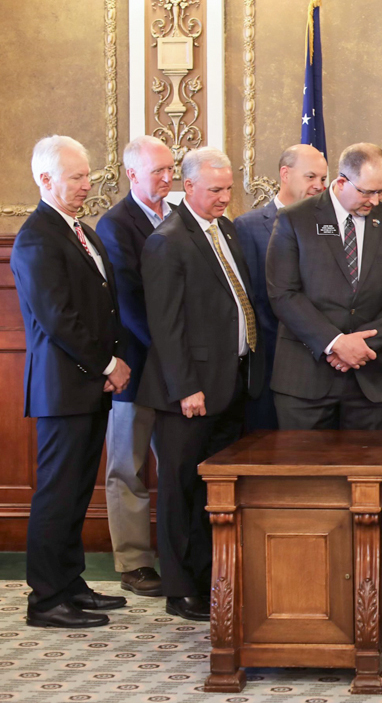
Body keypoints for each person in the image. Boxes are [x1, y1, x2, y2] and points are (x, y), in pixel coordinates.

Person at [138, 147, 266, 621]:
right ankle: (179, 588)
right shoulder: (168, 240)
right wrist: (185, 388)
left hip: (231, 383)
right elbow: (166, 327)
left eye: (228, 189)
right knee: (179, 490)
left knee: (215, 490)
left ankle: (213, 576)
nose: (224, 197)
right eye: (215, 190)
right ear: (187, 187)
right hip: (189, 392)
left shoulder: (225, 229)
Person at [14, 135, 132, 628]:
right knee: (57, 493)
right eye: (77, 177)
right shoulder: (38, 236)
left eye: (88, 175)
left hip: (86, 387)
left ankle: (70, 583)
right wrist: (109, 365)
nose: (88, 185)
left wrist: (110, 362)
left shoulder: (80, 230)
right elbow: (59, 319)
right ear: (45, 179)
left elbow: (104, 305)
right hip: (62, 388)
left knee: (78, 490)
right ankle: (46, 599)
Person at [267, 143, 382, 430]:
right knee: (307, 473)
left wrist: (360, 347)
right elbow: (283, 294)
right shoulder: (295, 219)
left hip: (373, 380)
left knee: (371, 473)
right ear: (341, 182)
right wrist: (336, 343)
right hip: (305, 380)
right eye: (367, 192)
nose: (375, 201)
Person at [94, 135, 174, 597]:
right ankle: (134, 563)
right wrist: (171, 354)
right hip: (137, 368)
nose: (167, 178)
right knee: (127, 466)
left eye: (170, 169)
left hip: (175, 370)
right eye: (157, 171)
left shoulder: (176, 217)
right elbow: (129, 304)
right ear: (131, 174)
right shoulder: (115, 225)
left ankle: (178, 555)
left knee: (177, 464)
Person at [234, 143, 328, 432]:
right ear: (285, 174)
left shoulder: (329, 226)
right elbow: (250, 300)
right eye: (310, 177)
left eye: (323, 179)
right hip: (272, 364)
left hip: (323, 364)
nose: (319, 186)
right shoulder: (248, 227)